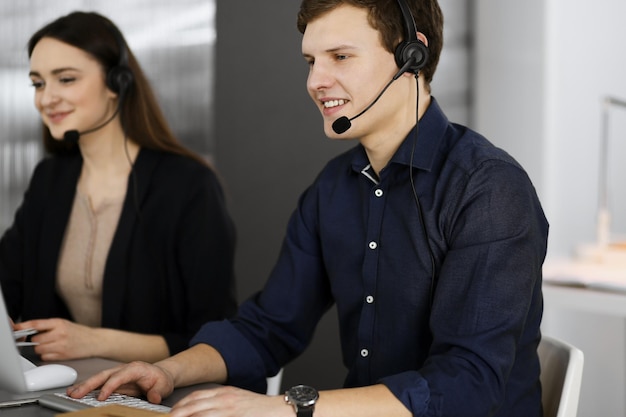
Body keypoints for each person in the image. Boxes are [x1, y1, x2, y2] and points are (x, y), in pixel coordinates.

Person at [70, 1, 548, 416]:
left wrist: (286, 408)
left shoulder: (489, 189)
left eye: (340, 56)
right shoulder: (334, 188)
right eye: (310, 61)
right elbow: (268, 327)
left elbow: (466, 385)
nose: (317, 81)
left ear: (411, 55)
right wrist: (165, 372)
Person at [0, 11, 237, 364]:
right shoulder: (50, 180)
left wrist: (94, 341)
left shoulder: (188, 186)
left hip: (157, 396)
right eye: (38, 83)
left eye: (65, 79)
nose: (46, 98)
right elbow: (8, 283)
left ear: (117, 83)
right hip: (62, 389)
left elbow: (212, 337)